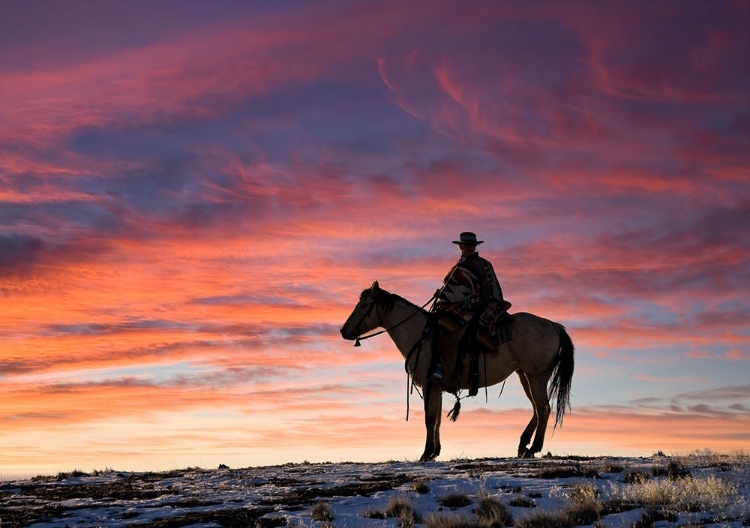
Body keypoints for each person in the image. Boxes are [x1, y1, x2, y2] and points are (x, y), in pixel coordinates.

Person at [430, 232, 510, 388]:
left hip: (476, 309)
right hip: (457, 308)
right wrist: (442, 295)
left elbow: (492, 287)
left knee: (452, 334)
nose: (469, 248)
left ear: (475, 246)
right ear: (460, 246)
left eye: (471, 245)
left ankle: (449, 376)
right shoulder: (457, 267)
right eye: (466, 245)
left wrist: (491, 306)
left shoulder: (483, 265)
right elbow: (454, 289)